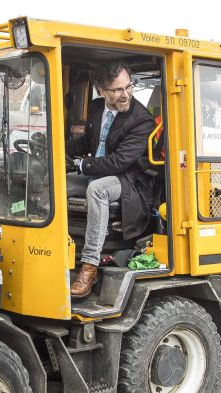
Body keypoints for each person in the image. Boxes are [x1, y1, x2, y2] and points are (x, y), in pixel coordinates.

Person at [65, 61, 155, 298]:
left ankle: (89, 266)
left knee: (97, 189)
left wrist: (84, 164)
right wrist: (59, 150)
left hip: (126, 180)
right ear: (101, 91)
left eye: (128, 87)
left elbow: (119, 162)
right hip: (97, 171)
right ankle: (56, 249)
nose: (125, 94)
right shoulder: (96, 108)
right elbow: (88, 142)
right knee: (56, 184)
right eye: (117, 90)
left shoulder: (141, 119)